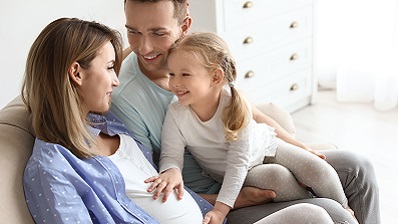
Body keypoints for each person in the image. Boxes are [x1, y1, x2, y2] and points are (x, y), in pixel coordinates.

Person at [20, 17, 336, 224]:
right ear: (76, 73)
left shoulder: (109, 126)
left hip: (211, 215)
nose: (116, 81)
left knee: (328, 209)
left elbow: (160, 194)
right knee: (315, 216)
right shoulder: (53, 167)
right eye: (109, 68)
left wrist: (229, 202)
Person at [111, 0, 380, 223]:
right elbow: (151, 187)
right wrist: (232, 201)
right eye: (133, 31)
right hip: (214, 198)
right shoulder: (128, 97)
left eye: (158, 33)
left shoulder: (201, 56)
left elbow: (247, 114)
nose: (144, 47)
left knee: (356, 166)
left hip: (251, 159)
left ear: (185, 26)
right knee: (331, 213)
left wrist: (300, 146)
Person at [149, 32, 356, 223]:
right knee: (277, 178)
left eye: (184, 75)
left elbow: (247, 148)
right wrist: (171, 170)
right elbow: (172, 155)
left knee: (315, 167)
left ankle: (345, 211)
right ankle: (317, 205)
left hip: (265, 147)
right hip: (240, 171)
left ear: (215, 77)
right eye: (171, 74)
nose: (174, 83)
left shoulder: (233, 104)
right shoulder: (176, 113)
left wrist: (299, 146)